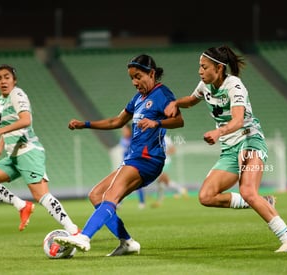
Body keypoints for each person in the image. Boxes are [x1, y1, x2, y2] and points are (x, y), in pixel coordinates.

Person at [165, 45, 287, 253]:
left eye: (204, 67)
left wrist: (218, 132)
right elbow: (192, 101)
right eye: (199, 67)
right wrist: (176, 103)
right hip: (230, 149)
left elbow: (238, 120)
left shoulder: (234, 85)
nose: (200, 71)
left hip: (250, 141)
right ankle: (262, 202)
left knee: (247, 190)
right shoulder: (204, 85)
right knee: (206, 196)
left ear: (219, 68)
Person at [54, 54, 184, 255]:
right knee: (96, 195)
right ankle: (127, 242)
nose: (135, 82)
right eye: (132, 78)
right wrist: (85, 124)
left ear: (151, 73)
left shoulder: (163, 94)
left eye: (138, 76)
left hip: (148, 159)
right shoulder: (137, 99)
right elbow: (116, 122)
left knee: (110, 196)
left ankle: (84, 237)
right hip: (135, 158)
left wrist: (156, 122)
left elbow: (178, 121)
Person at [0, 64, 79, 235]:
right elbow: (9, 125)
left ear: (14, 80)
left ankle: (73, 230)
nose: (3, 81)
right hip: (13, 156)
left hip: (28, 151)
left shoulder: (17, 94)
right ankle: (22, 205)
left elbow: (26, 120)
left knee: (42, 196)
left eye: (6, 77)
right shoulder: (1, 101)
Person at [151, 134, 187, 208]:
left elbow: (173, 149)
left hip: (166, 162)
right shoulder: (154, 138)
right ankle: (181, 190)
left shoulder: (166, 138)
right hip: (158, 162)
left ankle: (160, 200)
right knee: (162, 182)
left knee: (161, 179)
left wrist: (164, 153)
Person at [120, 123, 146, 209]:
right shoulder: (122, 140)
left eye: (125, 130)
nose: (123, 132)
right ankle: (118, 202)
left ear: (129, 130)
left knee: (136, 183)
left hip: (134, 163)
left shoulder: (133, 139)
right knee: (121, 184)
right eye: (122, 130)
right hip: (125, 164)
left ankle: (142, 202)